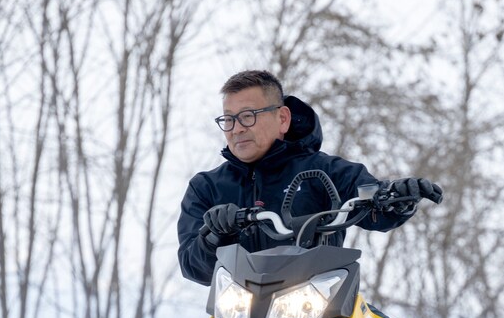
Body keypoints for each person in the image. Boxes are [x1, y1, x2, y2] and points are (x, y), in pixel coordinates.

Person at [177, 70, 442, 285]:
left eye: (247, 117)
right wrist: (214, 235)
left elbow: (370, 200)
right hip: (238, 315)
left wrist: (395, 197)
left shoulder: (325, 171)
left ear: (282, 118)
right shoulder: (206, 188)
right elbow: (193, 266)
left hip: (318, 308)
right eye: (228, 119)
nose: (236, 129)